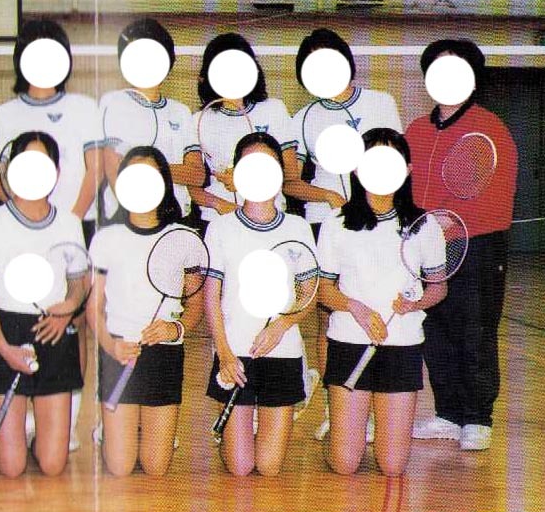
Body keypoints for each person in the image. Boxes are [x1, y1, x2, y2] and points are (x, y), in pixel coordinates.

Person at [285, 28, 403, 441]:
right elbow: (289, 182)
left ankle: (379, 408)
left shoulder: (380, 103)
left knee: (378, 308)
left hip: (378, 223)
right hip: (327, 223)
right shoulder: (302, 118)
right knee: (330, 317)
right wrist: (328, 196)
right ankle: (338, 411)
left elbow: (397, 162)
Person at [0, 19, 102, 452]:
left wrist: (64, 224)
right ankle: (27, 411)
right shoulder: (4, 115)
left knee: (73, 320)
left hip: (74, 226)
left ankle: (67, 416)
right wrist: (24, 217)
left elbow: (94, 171)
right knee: (26, 315)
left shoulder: (84, 108)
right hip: (20, 231)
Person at [405, 39, 518, 451]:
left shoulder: (490, 129)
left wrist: (451, 223)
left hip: (477, 248)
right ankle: (448, 414)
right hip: (429, 251)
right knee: (435, 330)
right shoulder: (416, 130)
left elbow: (499, 199)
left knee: (475, 331)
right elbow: (404, 188)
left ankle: (477, 417)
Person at [317, 128, 447, 476]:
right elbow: (324, 290)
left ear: (407, 169)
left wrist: (415, 305)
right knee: (345, 463)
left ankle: (360, 427)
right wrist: (355, 308)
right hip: (349, 342)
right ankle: (341, 434)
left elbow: (438, 288)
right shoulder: (336, 223)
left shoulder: (424, 225)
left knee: (392, 466)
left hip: (402, 347)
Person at [0, 132, 86, 478]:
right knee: (11, 467)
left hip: (54, 331)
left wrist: (68, 307)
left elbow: (79, 283)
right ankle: (8, 441)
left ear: (56, 171)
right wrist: (4, 348)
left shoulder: (69, 223)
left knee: (53, 465)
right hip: (7, 333)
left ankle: (38, 434)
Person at [205, 133, 316, 476]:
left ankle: (297, 384)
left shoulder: (298, 227)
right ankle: (235, 426)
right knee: (240, 467)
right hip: (235, 355)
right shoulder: (221, 228)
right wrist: (224, 354)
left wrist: (281, 325)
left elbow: (309, 293)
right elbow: (211, 297)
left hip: (283, 353)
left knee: (268, 467)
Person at [88, 146, 203, 477]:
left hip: (164, 353)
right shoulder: (106, 237)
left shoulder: (184, 237)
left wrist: (175, 329)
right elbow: (93, 309)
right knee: (120, 467)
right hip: (119, 351)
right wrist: (111, 346)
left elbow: (195, 306)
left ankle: (142, 428)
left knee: (156, 467)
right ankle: (114, 426)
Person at [98, 18, 205, 230]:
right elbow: (113, 168)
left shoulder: (181, 112)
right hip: (127, 222)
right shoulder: (113, 103)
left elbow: (197, 174)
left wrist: (146, 169)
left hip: (174, 221)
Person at [191, 33, 293, 227]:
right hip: (217, 220)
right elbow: (193, 187)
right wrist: (221, 205)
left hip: (270, 217)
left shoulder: (274, 109)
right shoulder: (198, 120)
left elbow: (290, 174)